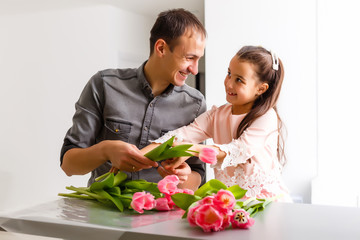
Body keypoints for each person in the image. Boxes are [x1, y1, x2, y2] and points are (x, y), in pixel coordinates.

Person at [60, 8, 207, 191]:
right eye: (189, 58)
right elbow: (68, 165)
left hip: (162, 213)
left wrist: (182, 177)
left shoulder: (196, 104)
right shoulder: (104, 85)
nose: (194, 69)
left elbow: (198, 175)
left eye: (198, 59)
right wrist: (105, 150)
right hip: (103, 214)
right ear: (161, 48)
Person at [142, 46, 292, 201]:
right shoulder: (217, 115)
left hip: (266, 203)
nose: (229, 84)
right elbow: (181, 135)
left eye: (239, 80)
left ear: (261, 88)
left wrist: (190, 150)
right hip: (230, 204)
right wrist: (138, 156)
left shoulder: (266, 117)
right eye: (229, 74)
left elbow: (238, 150)